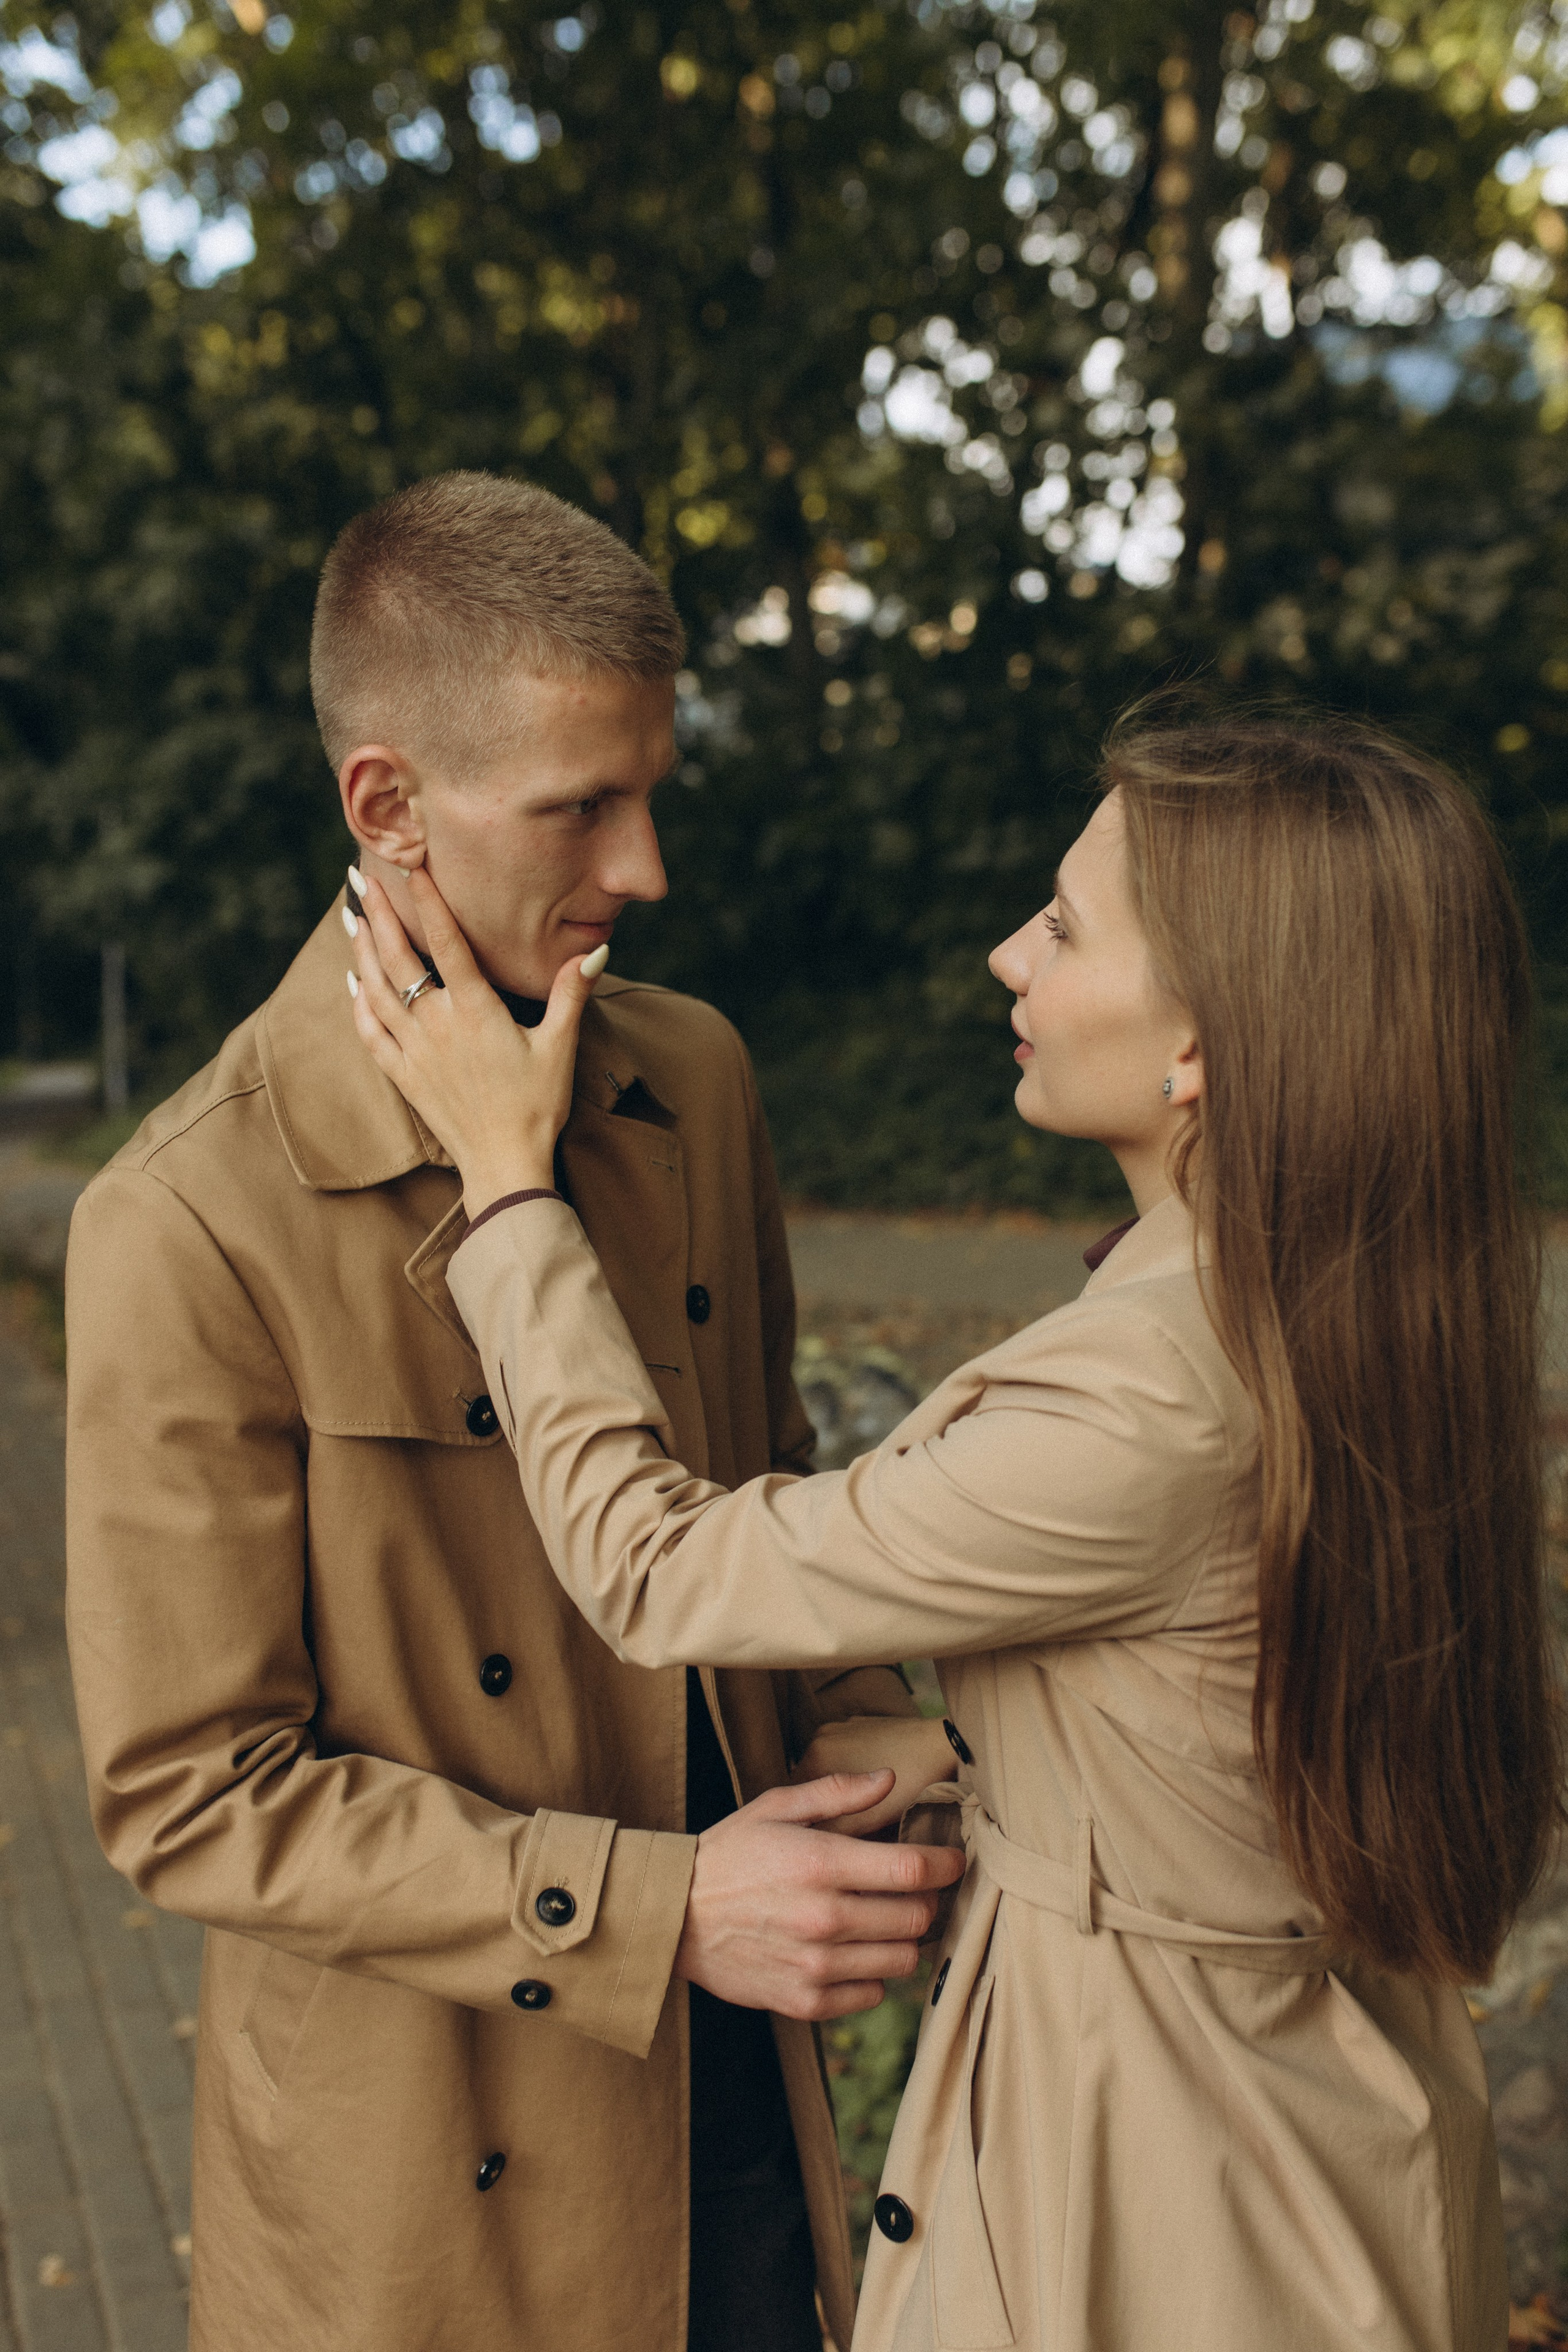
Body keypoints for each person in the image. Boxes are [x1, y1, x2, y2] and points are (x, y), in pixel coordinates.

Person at [345, 700, 1559, 2352]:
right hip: (1321, 2148)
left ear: (1205, 1044)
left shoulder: (1145, 1399)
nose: (1008, 956)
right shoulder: (1357, 1311)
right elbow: (1240, 1706)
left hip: (1160, 2198)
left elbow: (661, 1566)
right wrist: (992, 1765)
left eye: (1063, 926)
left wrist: (507, 1191)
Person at [64, 470, 963, 2352]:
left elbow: (775, 1512)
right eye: (582, 806)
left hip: (741, 2122)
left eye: (653, 794)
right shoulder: (186, 1215)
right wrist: (657, 1912)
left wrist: (873, 1747)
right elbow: (189, 1798)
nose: (647, 871)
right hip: (427, 2200)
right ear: (386, 805)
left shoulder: (696, 1081)